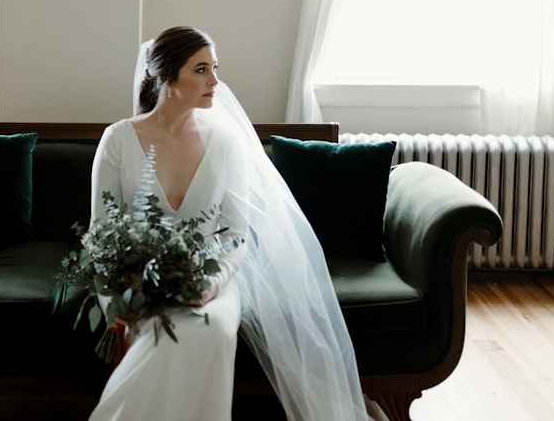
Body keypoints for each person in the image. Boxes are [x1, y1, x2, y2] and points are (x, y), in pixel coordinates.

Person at [88, 26, 376, 421]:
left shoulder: (224, 142)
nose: (215, 81)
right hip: (138, 285)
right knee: (153, 332)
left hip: (211, 282)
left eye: (214, 68)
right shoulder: (118, 140)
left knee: (214, 329)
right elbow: (101, 233)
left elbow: (235, 234)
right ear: (168, 77)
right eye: (201, 70)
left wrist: (212, 284)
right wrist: (115, 301)